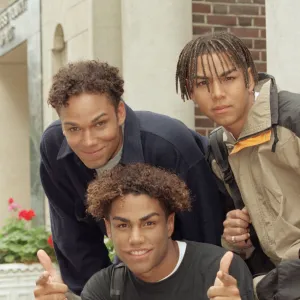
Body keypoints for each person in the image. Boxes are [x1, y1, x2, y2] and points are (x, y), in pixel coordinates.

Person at [39, 60, 226, 296]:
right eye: (73, 129)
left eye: (100, 124)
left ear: (119, 113)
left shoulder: (171, 145)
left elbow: (205, 241)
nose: (88, 141)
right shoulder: (53, 147)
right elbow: (74, 242)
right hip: (131, 266)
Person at [175, 32, 300, 283]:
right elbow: (251, 246)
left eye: (228, 78)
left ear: (250, 78)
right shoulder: (217, 149)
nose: (217, 93)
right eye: (202, 84)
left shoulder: (294, 121)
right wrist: (236, 238)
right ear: (190, 91)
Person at [35, 163, 254, 300]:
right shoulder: (104, 289)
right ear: (108, 228)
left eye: (148, 223)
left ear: (169, 224)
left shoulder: (220, 271)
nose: (136, 239)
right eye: (123, 225)